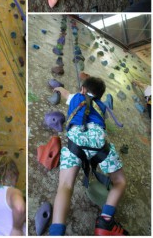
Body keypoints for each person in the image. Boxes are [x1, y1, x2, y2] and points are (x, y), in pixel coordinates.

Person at [50, 77, 128, 236]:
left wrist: (59, 89)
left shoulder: (75, 98)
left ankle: (56, 231)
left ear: (83, 90)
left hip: (75, 144)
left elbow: (65, 94)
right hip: (99, 145)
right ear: (99, 96)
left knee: (65, 186)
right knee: (120, 181)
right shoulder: (102, 106)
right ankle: (105, 221)